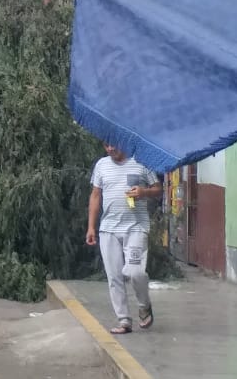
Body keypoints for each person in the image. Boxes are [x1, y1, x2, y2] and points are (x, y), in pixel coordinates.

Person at [86, 142, 163, 335]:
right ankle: (124, 320)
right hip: (108, 229)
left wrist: (144, 192)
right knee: (114, 276)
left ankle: (144, 305)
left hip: (136, 228)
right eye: (106, 146)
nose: (110, 149)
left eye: (114, 145)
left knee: (135, 272)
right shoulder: (101, 165)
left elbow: (158, 189)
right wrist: (91, 227)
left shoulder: (141, 162)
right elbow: (95, 195)